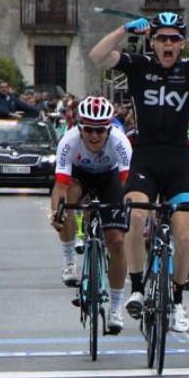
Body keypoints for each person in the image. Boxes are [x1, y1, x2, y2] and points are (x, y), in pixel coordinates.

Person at [88, 11, 189, 333]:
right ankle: (136, 287)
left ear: (182, 43)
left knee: (185, 233)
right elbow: (98, 56)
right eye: (162, 38)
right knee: (135, 216)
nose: (168, 44)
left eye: (175, 38)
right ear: (153, 41)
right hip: (145, 158)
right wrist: (123, 29)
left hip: (178, 160)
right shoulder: (138, 65)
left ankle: (176, 300)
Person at [49, 97, 131, 333]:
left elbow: (128, 186)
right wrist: (57, 212)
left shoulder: (120, 141)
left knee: (116, 241)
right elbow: (60, 187)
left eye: (100, 131)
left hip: (110, 179)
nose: (94, 136)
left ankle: (116, 307)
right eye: (88, 130)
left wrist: (132, 215)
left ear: (109, 128)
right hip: (79, 176)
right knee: (66, 205)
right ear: (80, 127)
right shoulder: (69, 141)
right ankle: (69, 262)